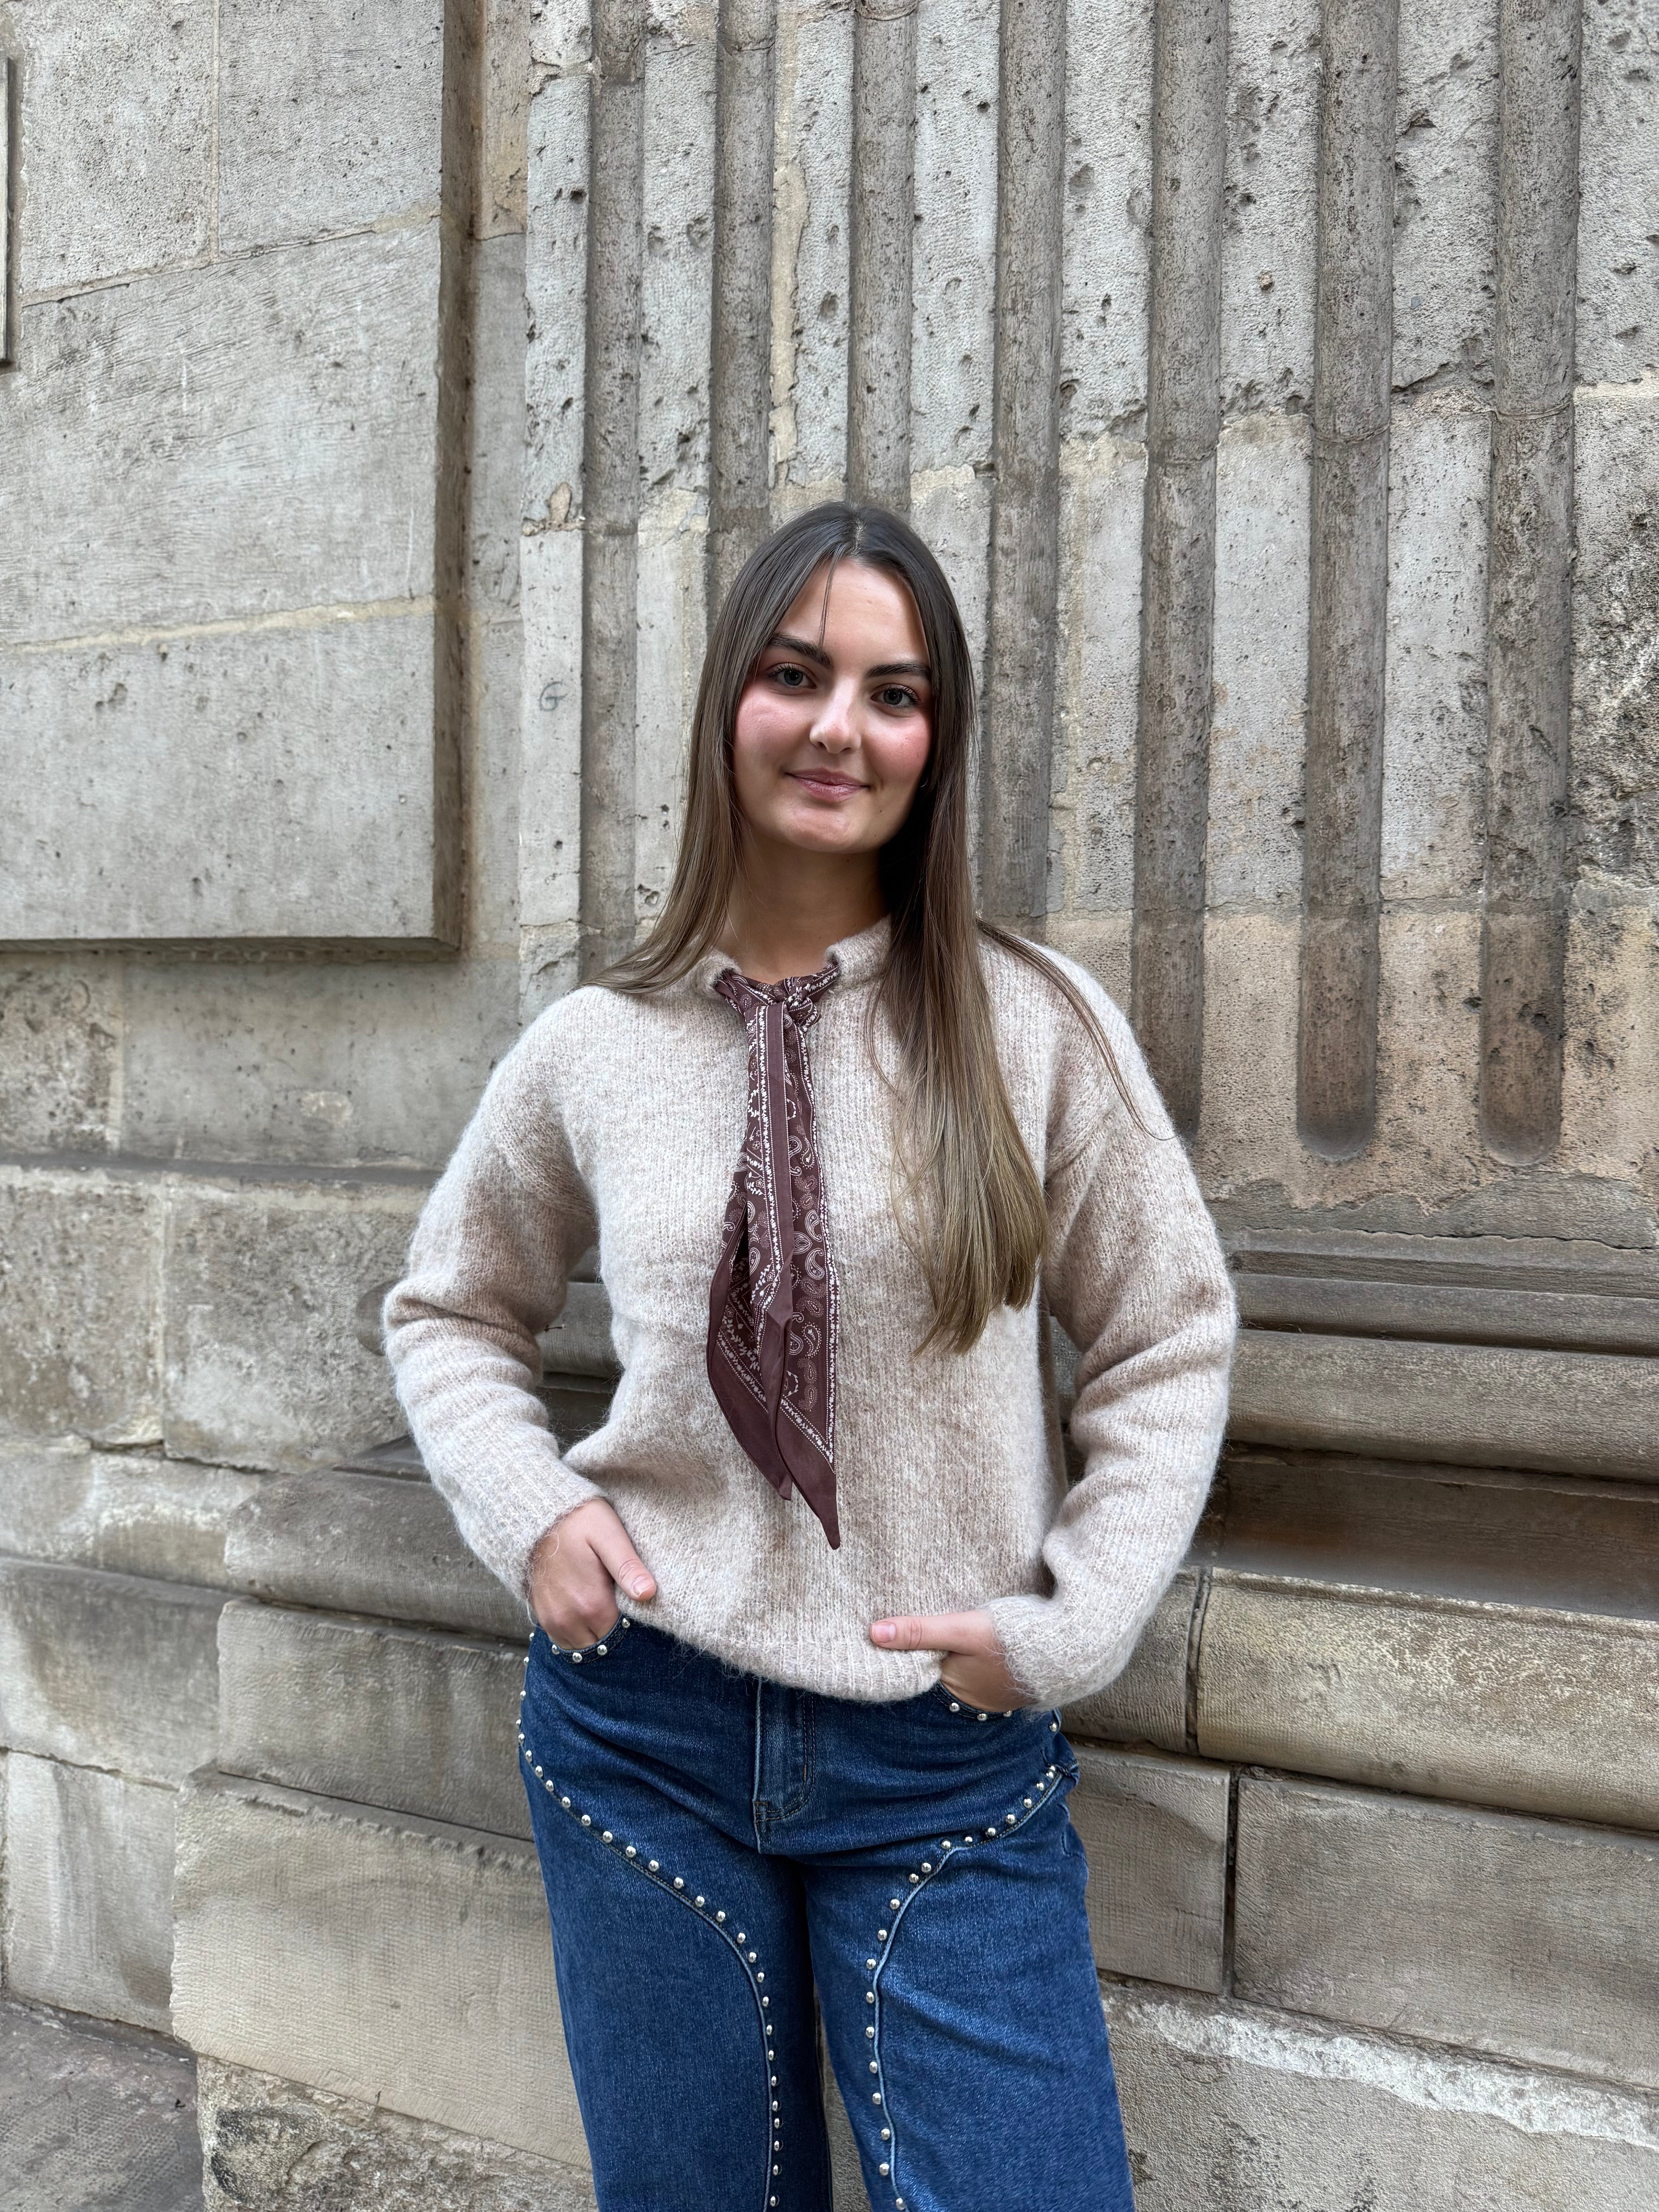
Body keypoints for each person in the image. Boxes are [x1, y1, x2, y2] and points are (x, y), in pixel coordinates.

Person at [384, 502, 1236, 2212]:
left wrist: (1069, 1626)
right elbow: (451, 1308)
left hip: (940, 1749)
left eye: (894, 693)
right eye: (797, 675)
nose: (842, 725)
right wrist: (533, 1509)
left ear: (937, 739)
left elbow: (1168, 1335)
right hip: (641, 1728)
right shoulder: (594, 1044)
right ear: (730, 701)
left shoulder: (1030, 1025)